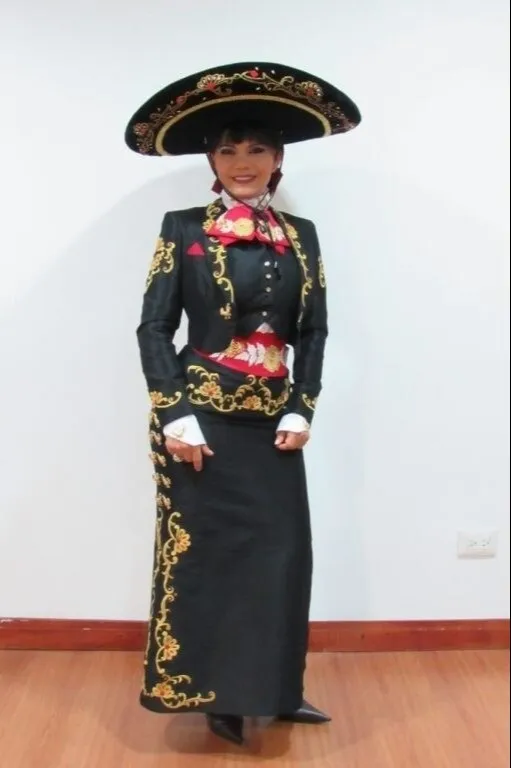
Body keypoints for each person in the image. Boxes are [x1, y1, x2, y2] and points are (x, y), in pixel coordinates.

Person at [124, 61, 361, 747]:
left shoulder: (301, 235)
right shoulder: (182, 228)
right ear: (211, 161)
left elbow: (312, 331)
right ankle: (215, 696)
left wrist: (302, 405)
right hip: (200, 421)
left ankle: (275, 690)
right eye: (228, 150)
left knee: (281, 555)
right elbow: (153, 328)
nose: (242, 162)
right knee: (210, 557)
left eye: (257, 148)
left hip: (273, 424)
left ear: (278, 158)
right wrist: (174, 413)